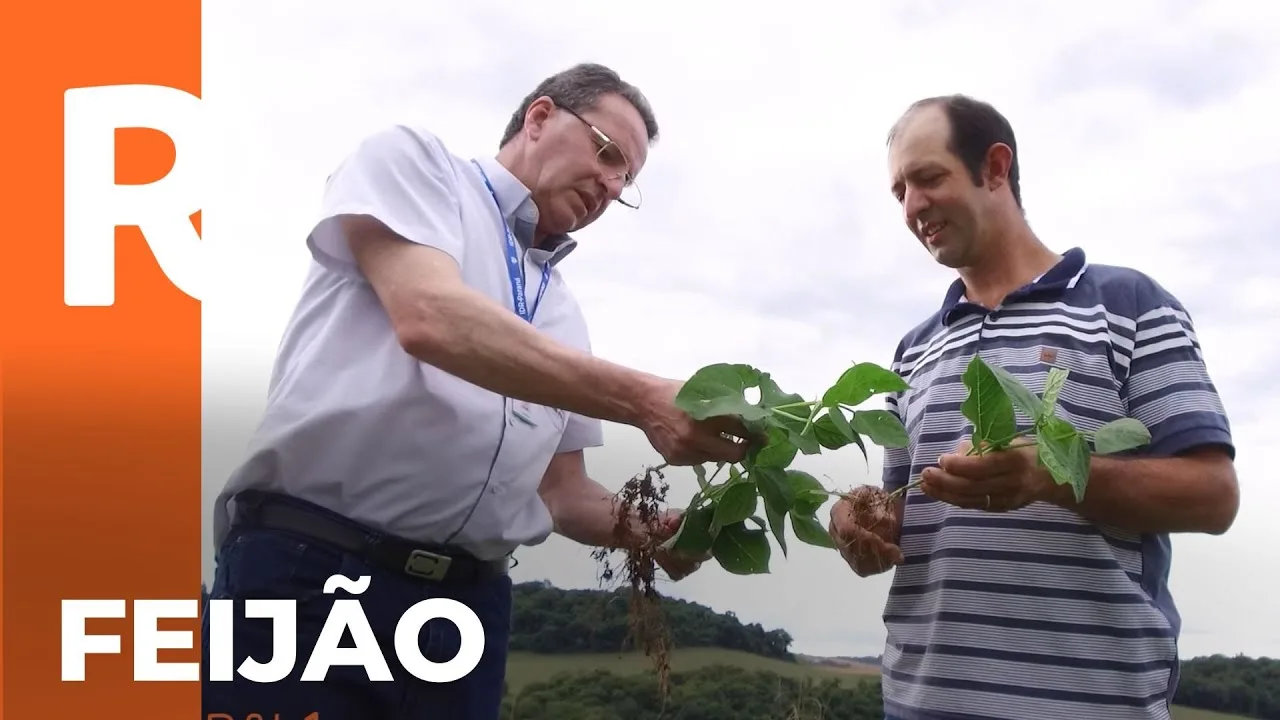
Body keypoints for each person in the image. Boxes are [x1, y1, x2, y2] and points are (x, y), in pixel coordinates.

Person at [201, 63, 750, 720]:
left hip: (465, 608)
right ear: (540, 117)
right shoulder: (417, 168)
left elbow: (564, 495)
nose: (610, 184)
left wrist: (667, 531)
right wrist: (644, 399)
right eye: (607, 153)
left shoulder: (562, 312)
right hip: (315, 571)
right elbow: (428, 316)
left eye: (625, 180)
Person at [828, 94, 1240, 720]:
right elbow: (899, 519)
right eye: (899, 191)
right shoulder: (914, 350)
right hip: (921, 703)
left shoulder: (1126, 305)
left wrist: (1049, 479)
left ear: (995, 168)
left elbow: (1213, 496)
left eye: (929, 178)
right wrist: (859, 523)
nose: (913, 207)